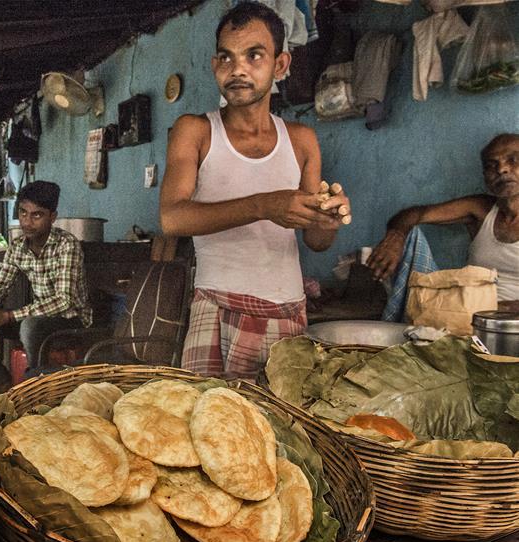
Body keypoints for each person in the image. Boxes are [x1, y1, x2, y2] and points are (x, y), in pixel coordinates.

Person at [159, 2, 350, 376]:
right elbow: (172, 217)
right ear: (215, 66)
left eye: (254, 55)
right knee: (206, 426)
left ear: (280, 65)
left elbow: (316, 240)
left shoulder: (301, 140)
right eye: (227, 58)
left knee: (279, 431)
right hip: (215, 307)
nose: (238, 69)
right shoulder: (195, 131)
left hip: (287, 311)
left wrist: (327, 219)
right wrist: (264, 205)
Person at [0, 181, 92, 391]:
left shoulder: (67, 245)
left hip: (71, 321)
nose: (27, 222)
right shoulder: (18, 247)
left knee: (30, 326)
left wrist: (8, 316)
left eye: (37, 215)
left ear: (52, 217)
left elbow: (65, 302)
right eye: (23, 213)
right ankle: (3, 384)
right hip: (36, 318)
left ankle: (37, 389)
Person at [368, 133, 519, 309]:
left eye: (513, 160)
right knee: (409, 233)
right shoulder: (480, 209)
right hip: (465, 316)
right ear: (485, 176)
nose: (501, 170)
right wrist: (395, 237)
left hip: (509, 323)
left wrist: (497, 308)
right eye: (491, 166)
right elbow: (415, 214)